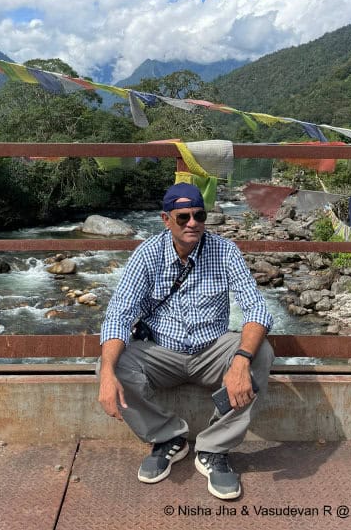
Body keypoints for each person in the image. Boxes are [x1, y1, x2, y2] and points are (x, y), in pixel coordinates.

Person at [98, 182, 274, 500]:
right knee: (111, 364)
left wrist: (241, 359)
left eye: (199, 215)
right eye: (183, 217)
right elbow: (118, 316)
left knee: (261, 353)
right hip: (161, 351)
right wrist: (108, 372)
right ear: (166, 220)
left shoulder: (225, 251)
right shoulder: (147, 255)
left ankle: (214, 449)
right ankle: (168, 439)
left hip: (211, 349)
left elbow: (257, 309)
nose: (192, 223)